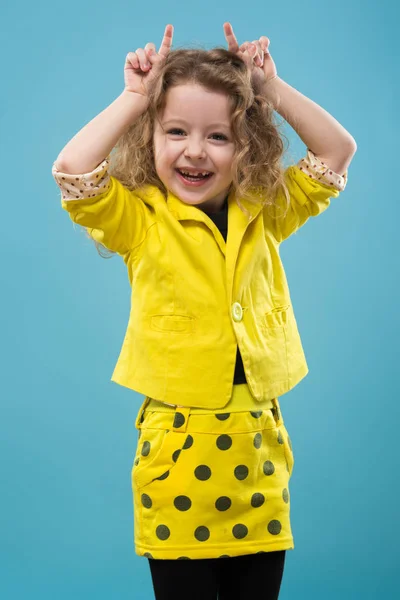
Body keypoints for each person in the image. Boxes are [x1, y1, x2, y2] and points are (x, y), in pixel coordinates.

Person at [52, 22, 356, 600]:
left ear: (248, 146)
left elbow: (338, 151)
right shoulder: (140, 220)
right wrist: (133, 98)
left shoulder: (266, 209)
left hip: (258, 459)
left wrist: (271, 89)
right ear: (151, 138)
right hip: (178, 460)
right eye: (175, 131)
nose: (195, 150)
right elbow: (71, 170)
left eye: (219, 136)